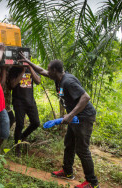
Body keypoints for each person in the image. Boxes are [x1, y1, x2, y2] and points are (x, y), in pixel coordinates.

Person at [19, 55, 99, 188]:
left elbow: (86, 97)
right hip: (75, 117)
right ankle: (67, 172)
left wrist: (70, 115)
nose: (47, 72)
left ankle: (92, 182)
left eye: (50, 70)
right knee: (69, 144)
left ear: (55, 71)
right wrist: (28, 62)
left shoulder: (68, 81)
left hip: (84, 118)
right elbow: (41, 71)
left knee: (82, 150)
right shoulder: (58, 77)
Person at [8, 63, 41, 156]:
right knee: (20, 124)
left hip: (30, 101)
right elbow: (12, 84)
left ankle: (22, 137)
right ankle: (17, 147)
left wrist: (30, 67)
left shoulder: (31, 69)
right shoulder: (14, 69)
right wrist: (22, 71)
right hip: (19, 102)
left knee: (36, 123)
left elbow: (38, 81)